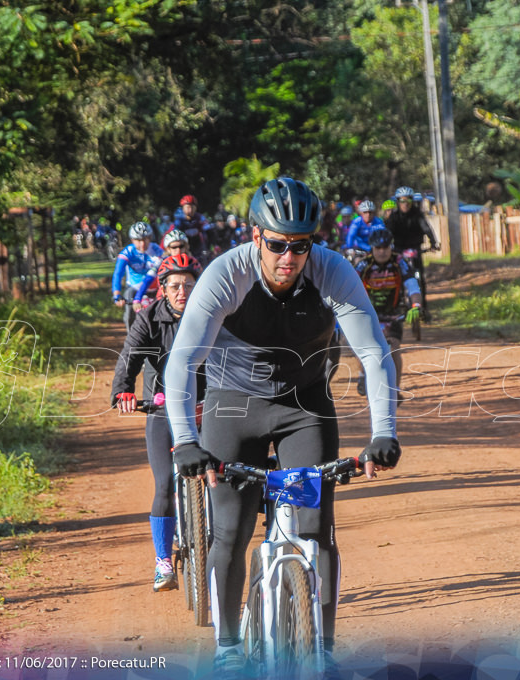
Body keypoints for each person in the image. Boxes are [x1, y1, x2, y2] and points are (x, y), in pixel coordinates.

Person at [164, 177, 402, 676]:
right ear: (256, 237)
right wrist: (186, 440)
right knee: (231, 529)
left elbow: (374, 353)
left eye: (300, 245)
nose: (288, 257)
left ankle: (325, 646)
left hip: (305, 404)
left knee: (316, 531)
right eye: (276, 244)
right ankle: (228, 647)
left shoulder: (333, 271)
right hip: (233, 405)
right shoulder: (225, 274)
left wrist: (385, 432)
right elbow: (184, 360)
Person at [111, 253, 204, 592]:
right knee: (164, 483)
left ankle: (222, 548)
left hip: (210, 406)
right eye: (175, 285)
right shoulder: (148, 318)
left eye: (189, 285)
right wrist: (123, 390)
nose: (183, 292)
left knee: (225, 476)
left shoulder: (213, 314)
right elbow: (130, 357)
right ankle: (163, 560)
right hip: (162, 405)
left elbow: (236, 356)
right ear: (162, 288)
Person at [353, 228, 422, 402]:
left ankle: (395, 390)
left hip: (393, 313)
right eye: (378, 248)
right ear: (372, 249)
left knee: (394, 349)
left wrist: (416, 304)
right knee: (365, 348)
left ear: (391, 247)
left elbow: (412, 285)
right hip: (369, 312)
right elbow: (350, 285)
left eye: (385, 247)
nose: (382, 252)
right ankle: (362, 374)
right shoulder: (363, 264)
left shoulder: (400, 262)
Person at [385, 186, 440, 321]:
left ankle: (424, 309)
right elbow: (387, 233)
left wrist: (434, 243)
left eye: (408, 200)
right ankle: (396, 307)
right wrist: (386, 247)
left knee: (420, 279)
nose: (405, 204)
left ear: (412, 201)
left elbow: (426, 228)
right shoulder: (394, 217)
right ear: (398, 202)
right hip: (398, 251)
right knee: (396, 277)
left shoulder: (417, 214)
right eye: (402, 201)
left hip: (415, 250)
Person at [112, 222, 163, 334]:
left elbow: (161, 269)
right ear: (132, 240)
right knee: (130, 309)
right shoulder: (127, 252)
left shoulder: (157, 250)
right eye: (138, 240)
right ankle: (131, 337)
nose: (142, 243)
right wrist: (117, 294)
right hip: (134, 287)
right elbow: (118, 273)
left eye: (145, 239)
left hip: (153, 287)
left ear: (150, 238)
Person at [175, 194, 209, 261]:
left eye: (192, 207)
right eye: (187, 207)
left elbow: (209, 231)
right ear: (183, 208)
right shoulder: (179, 220)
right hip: (185, 249)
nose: (190, 210)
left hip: (199, 247)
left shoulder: (200, 217)